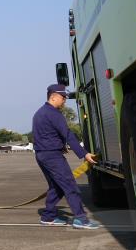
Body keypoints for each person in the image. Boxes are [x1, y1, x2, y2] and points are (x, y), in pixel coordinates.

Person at [33, 84, 100, 229]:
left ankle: (48, 216)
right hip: (52, 156)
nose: (64, 100)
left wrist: (59, 145)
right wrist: (84, 154)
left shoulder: (40, 113)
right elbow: (68, 135)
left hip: (41, 155)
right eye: (63, 97)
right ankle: (81, 219)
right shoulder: (54, 114)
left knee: (56, 186)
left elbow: (45, 136)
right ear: (53, 97)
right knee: (70, 186)